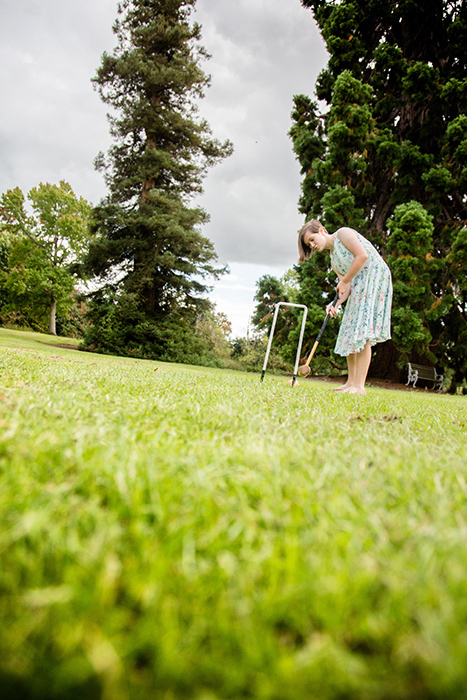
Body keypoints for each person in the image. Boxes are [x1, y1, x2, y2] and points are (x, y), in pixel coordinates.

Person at [298, 220, 392, 395]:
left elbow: (362, 256)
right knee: (350, 330)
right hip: (358, 286)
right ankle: (350, 383)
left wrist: (346, 280)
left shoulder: (343, 233)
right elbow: (346, 288)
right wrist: (335, 304)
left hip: (374, 278)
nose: (313, 245)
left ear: (322, 230)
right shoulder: (334, 260)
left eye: (312, 239)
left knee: (362, 332)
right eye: (309, 245)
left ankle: (359, 386)